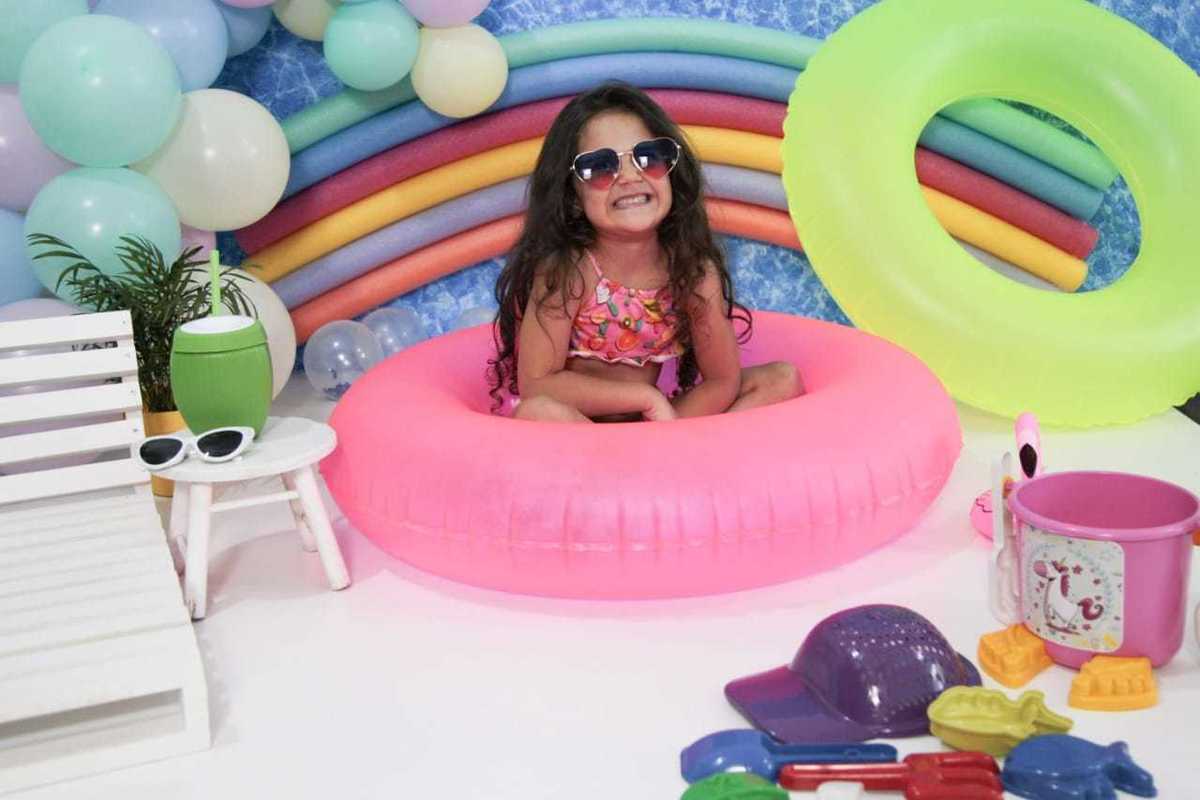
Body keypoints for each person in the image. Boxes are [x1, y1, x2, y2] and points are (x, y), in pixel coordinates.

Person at [488, 82, 802, 422]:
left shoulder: (692, 270)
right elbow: (537, 384)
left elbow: (722, 381)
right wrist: (645, 397)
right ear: (573, 197)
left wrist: (663, 431)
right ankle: (626, 454)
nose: (629, 177)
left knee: (782, 379)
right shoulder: (569, 272)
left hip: (651, 427)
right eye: (600, 167)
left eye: (648, 157)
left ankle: (672, 451)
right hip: (581, 428)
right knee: (538, 412)